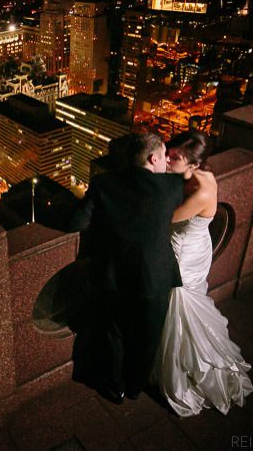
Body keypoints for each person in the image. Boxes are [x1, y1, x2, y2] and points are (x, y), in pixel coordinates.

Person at [69, 133, 184, 403]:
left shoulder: (103, 183)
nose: (167, 163)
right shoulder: (171, 187)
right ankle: (135, 387)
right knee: (148, 338)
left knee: (115, 333)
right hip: (154, 278)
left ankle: (116, 386)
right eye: (164, 157)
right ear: (153, 158)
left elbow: (76, 222)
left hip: (113, 277)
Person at [153, 130, 253, 417]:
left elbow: (164, 220)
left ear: (194, 165)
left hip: (184, 253)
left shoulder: (202, 191)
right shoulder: (191, 175)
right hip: (189, 243)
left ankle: (180, 369)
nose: (168, 159)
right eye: (169, 153)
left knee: (178, 305)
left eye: (175, 158)